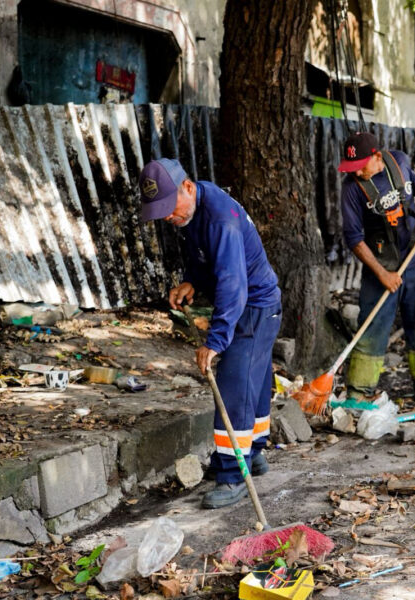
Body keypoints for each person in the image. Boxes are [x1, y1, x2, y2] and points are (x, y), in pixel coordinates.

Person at [139, 158, 282, 509]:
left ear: (187, 187)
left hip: (253, 306)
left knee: (234, 386)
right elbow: (207, 258)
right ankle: (255, 453)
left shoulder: (221, 220)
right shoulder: (194, 209)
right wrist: (192, 281)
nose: (168, 218)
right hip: (257, 303)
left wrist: (215, 342)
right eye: (161, 213)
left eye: (169, 209)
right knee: (254, 381)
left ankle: (233, 475)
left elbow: (233, 285)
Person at [338, 131, 415, 403]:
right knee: (372, 328)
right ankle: (358, 393)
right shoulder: (351, 189)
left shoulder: (398, 161)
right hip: (381, 268)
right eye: (351, 169)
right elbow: (354, 239)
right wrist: (382, 274)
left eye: (360, 167)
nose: (356, 173)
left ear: (377, 157)